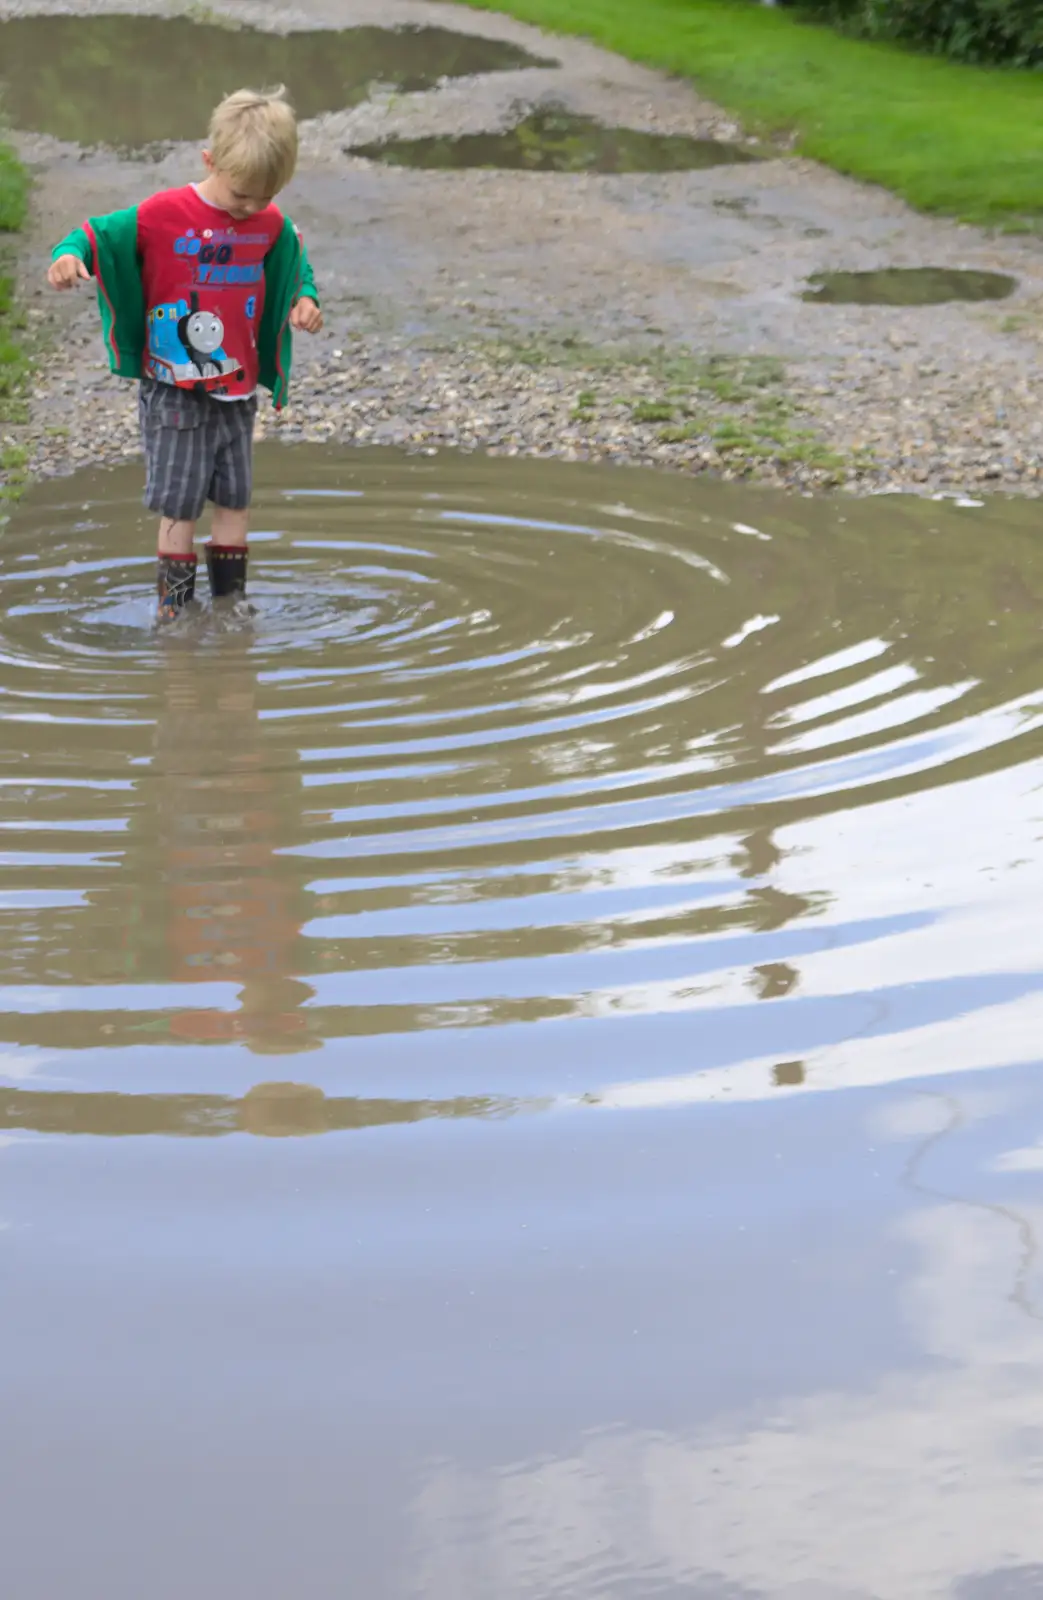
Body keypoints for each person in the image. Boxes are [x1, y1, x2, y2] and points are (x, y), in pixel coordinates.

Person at [46, 85, 323, 617]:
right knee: (179, 505)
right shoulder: (163, 213)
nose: (249, 208)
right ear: (209, 160)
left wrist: (305, 298)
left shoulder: (269, 223)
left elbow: (294, 262)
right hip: (174, 391)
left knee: (235, 499)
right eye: (240, 194)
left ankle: (231, 603)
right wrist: (66, 254)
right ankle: (174, 610)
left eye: (263, 197)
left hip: (237, 389)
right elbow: (95, 233)